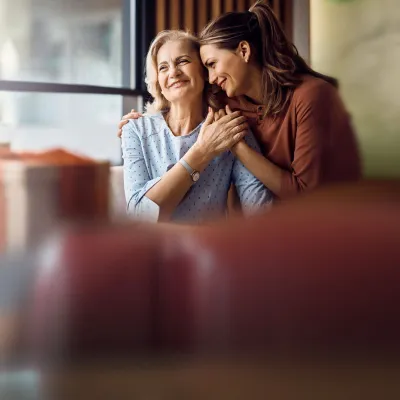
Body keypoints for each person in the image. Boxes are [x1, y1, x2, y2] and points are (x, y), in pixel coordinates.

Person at [119, 1, 361, 201]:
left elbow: (307, 195)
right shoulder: (227, 100)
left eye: (211, 65)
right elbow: (182, 98)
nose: (211, 78)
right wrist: (136, 123)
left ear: (244, 51)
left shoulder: (312, 96)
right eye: (207, 68)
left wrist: (238, 147)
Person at [121, 30, 272, 223]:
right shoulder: (135, 129)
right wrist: (202, 151)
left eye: (183, 61)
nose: (173, 73)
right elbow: (139, 216)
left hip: (210, 249)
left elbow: (261, 212)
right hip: (151, 250)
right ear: (157, 80)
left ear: (203, 70)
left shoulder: (229, 128)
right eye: (163, 67)